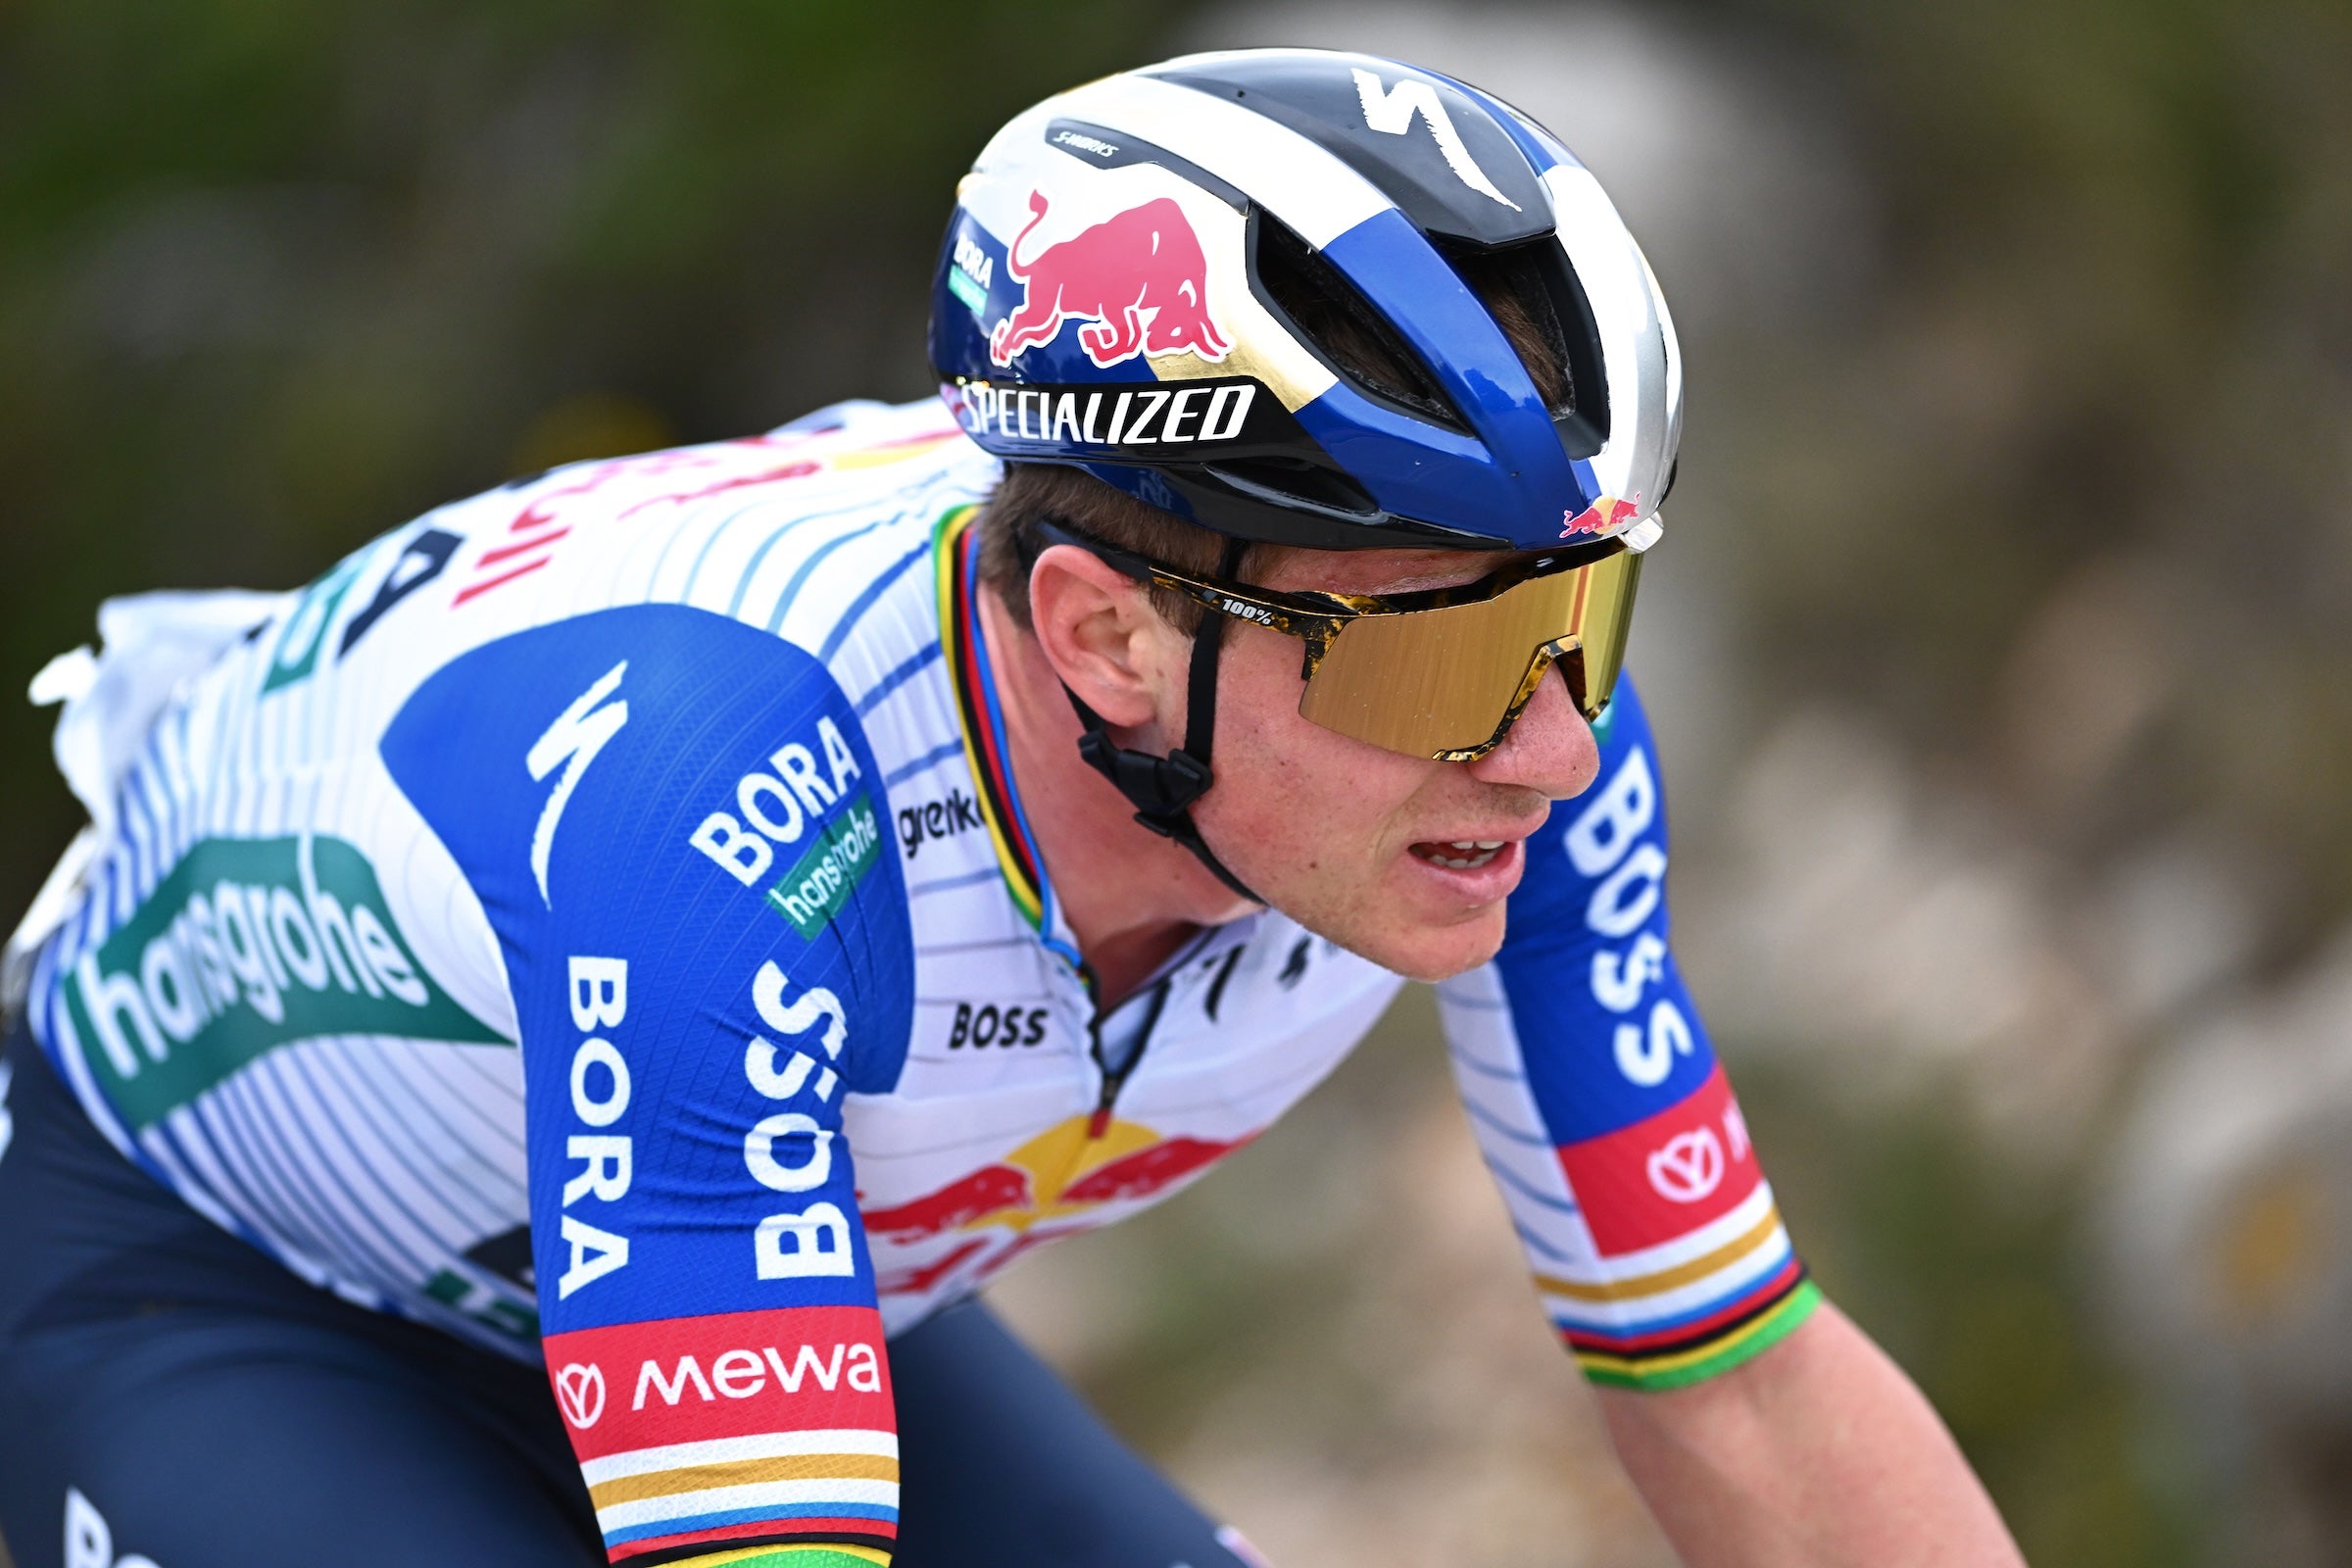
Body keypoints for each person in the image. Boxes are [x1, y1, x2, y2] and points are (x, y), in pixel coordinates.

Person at [0, 46, 2024, 1568]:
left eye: (1581, 615)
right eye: (1432, 654)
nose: (1552, 745)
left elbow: (1742, 1390)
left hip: (718, 1234)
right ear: (1110, 639)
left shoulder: (1514, 752)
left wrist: (1482, 659)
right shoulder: (725, 803)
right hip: (202, 1264)